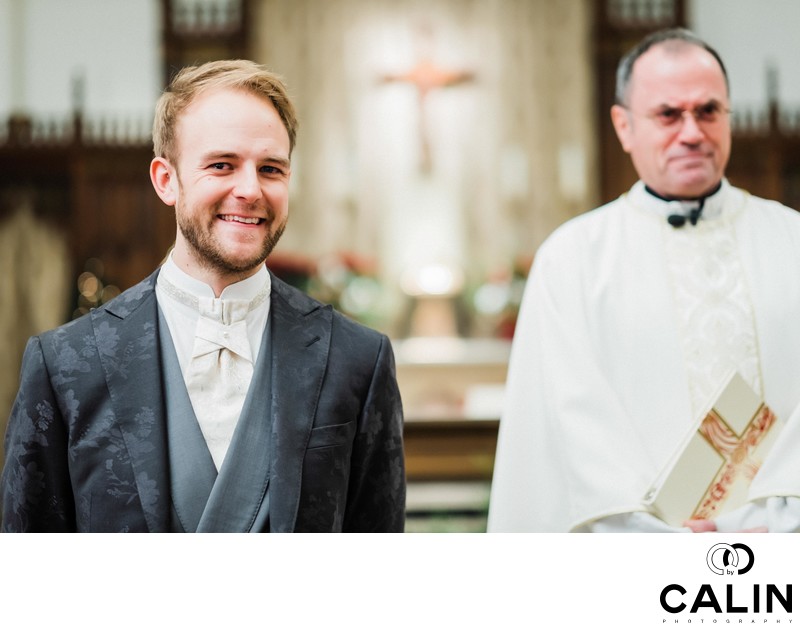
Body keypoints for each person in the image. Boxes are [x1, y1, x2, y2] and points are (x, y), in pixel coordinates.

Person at [0, 60, 405, 532]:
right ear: (165, 180)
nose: (250, 189)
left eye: (271, 169)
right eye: (222, 165)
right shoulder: (64, 363)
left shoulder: (358, 360)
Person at [488, 28, 800, 532]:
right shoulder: (572, 261)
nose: (692, 131)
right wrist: (658, 541)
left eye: (709, 111)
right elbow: (570, 433)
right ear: (624, 125)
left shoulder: (793, 241)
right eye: (668, 114)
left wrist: (768, 529)